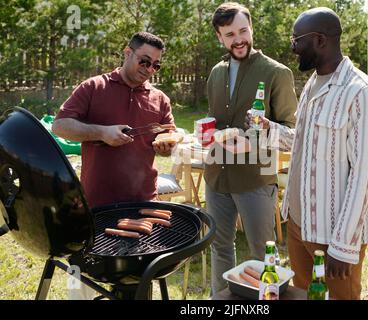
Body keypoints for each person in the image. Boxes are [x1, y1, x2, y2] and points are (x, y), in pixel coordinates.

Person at [270, 7, 368, 299]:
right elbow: (305, 142)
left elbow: (364, 175)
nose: (292, 47)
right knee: (302, 295)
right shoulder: (313, 83)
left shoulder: (361, 93)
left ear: (320, 40)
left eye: (297, 40)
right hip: (298, 224)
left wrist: (344, 246)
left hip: (333, 236)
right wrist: (267, 130)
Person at [52, 31, 177, 299]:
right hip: (96, 203)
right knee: (85, 282)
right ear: (127, 52)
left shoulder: (159, 99)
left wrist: (167, 142)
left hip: (142, 205)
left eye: (156, 65)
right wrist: (101, 132)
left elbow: (170, 132)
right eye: (144, 61)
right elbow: (60, 126)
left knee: (138, 281)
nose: (150, 70)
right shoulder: (94, 87)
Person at [205, 2, 297, 295]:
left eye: (243, 30)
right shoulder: (215, 73)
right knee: (220, 246)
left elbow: (293, 133)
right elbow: (216, 121)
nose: (238, 39)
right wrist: (207, 131)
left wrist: (253, 143)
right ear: (220, 37)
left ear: (251, 29)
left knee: (263, 253)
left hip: (257, 177)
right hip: (216, 176)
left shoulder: (276, 73)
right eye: (230, 34)